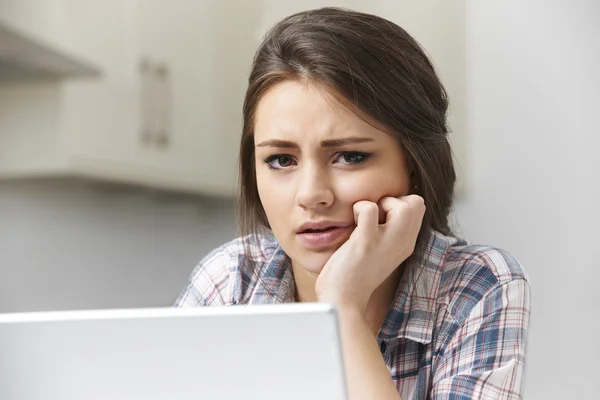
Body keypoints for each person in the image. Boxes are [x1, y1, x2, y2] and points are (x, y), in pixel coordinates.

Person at [175, 7, 531, 400]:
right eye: (281, 160)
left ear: (413, 163)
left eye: (349, 156)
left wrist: (343, 310)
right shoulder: (230, 282)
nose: (311, 194)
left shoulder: (473, 287)